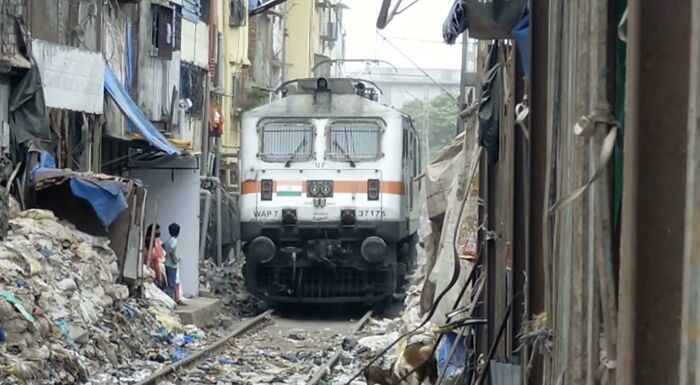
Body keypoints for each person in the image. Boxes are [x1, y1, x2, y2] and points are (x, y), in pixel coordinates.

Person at [144, 224, 166, 289]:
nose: (159, 232)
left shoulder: (158, 242)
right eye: (157, 230)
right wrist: (159, 280)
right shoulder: (151, 244)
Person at [163, 223, 181, 301]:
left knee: (169, 283)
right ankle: (165, 297)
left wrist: (166, 255)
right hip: (172, 265)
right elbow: (171, 249)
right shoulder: (174, 241)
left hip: (166, 264)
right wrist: (175, 260)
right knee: (172, 285)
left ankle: (168, 299)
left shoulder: (168, 240)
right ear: (178, 232)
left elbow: (163, 246)